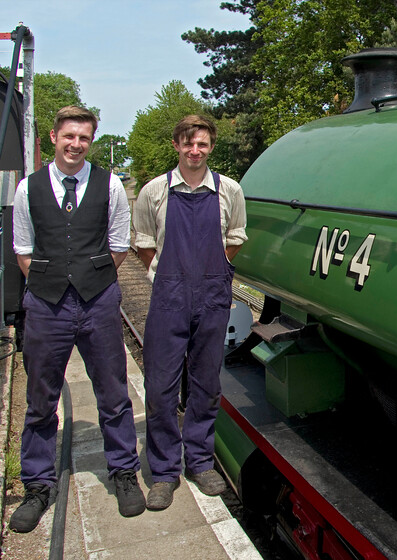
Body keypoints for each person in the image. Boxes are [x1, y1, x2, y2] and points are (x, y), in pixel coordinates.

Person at [10, 106, 144, 533]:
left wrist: (89, 279)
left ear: (91, 141)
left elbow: (120, 244)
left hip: (98, 301)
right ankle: (37, 485)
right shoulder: (27, 189)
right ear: (53, 137)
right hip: (46, 305)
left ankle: (123, 471)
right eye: (69, 136)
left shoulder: (111, 186)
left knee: (114, 392)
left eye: (84, 138)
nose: (76, 144)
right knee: (40, 398)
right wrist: (55, 283)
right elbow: (22, 249)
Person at [133, 114, 246, 510]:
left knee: (206, 383)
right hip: (169, 298)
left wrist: (215, 273)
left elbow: (235, 238)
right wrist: (162, 274)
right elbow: (144, 242)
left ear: (210, 146)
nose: (194, 150)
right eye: (187, 143)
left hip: (213, 297)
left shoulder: (229, 190)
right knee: (160, 385)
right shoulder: (154, 191)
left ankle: (199, 461)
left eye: (201, 144)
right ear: (177, 146)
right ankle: (164, 471)